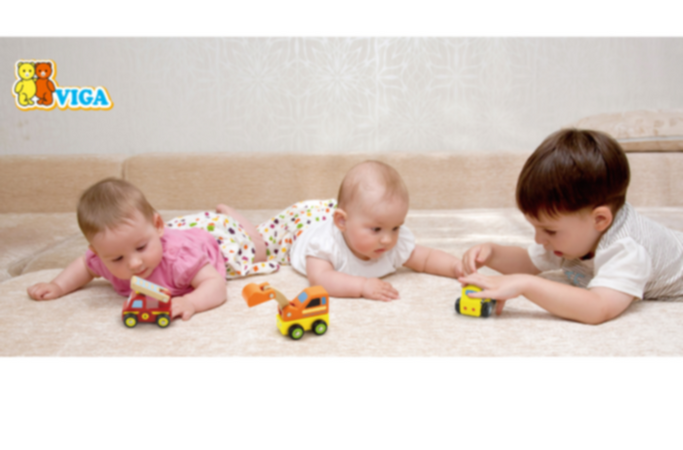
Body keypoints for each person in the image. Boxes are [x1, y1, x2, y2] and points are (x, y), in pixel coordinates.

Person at [460, 128, 683, 324]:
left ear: (600, 220)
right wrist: (491, 253)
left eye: (549, 230)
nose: (539, 239)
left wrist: (526, 285)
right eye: (535, 228)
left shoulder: (627, 249)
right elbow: (528, 262)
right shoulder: (575, 236)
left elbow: (599, 308)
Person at [183, 160, 464, 299]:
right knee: (257, 249)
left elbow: (426, 258)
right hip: (298, 228)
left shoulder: (390, 240)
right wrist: (363, 286)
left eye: (396, 227)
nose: (388, 239)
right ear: (341, 222)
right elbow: (320, 280)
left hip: (335, 215)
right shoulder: (325, 246)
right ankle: (232, 214)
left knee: (363, 210)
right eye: (377, 229)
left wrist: (456, 267)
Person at [27, 178, 230, 321]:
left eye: (141, 247)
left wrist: (191, 302)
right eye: (117, 259)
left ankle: (230, 213)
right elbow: (84, 265)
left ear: (157, 226)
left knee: (244, 239)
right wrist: (58, 286)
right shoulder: (105, 257)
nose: (134, 263)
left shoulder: (180, 259)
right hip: (171, 231)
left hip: (215, 240)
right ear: (98, 253)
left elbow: (216, 284)